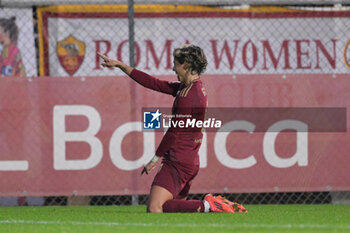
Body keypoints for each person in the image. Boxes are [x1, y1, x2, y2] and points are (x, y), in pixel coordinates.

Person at [98, 44, 247, 213]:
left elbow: (174, 132)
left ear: (186, 65)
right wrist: (122, 66)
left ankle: (209, 205)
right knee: (172, 211)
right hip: (189, 159)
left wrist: (155, 159)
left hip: (178, 160)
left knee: (155, 208)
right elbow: (155, 84)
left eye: (175, 63)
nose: (173, 67)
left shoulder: (189, 95)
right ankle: (208, 206)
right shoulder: (191, 88)